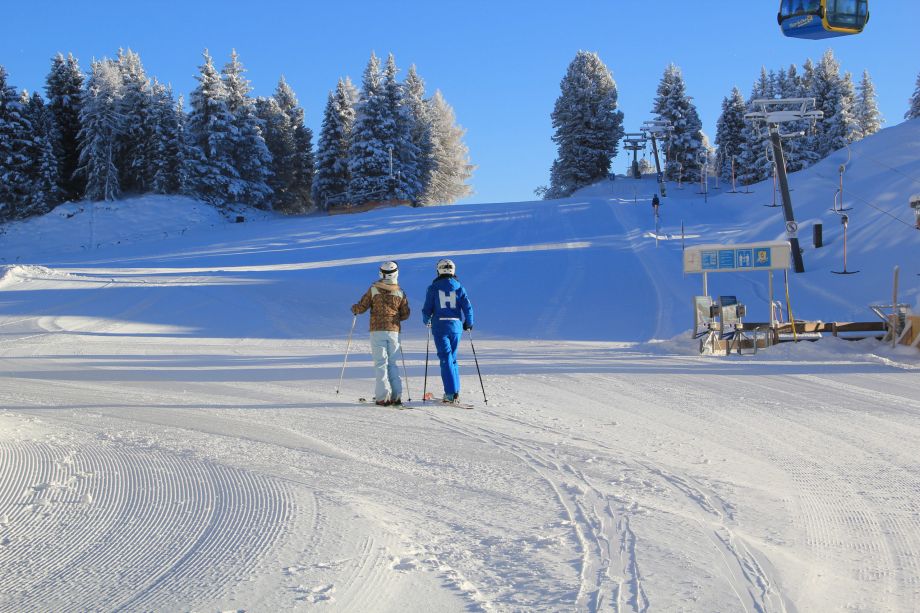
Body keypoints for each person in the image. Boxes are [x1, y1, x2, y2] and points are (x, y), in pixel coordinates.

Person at [351, 261, 410, 406]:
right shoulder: (400, 292)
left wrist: (355, 309)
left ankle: (383, 397)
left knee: (381, 363)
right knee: (392, 363)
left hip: (377, 331)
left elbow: (362, 307)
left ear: (381, 273)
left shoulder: (373, 289)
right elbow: (405, 314)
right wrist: (395, 317)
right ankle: (396, 396)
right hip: (394, 331)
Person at [422, 258, 474, 404]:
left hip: (440, 326)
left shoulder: (433, 288)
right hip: (456, 326)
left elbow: (427, 309)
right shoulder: (459, 287)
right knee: (453, 358)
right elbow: (468, 307)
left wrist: (427, 320)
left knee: (445, 359)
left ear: (438, 270)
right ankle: (455, 391)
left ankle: (450, 394)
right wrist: (469, 323)